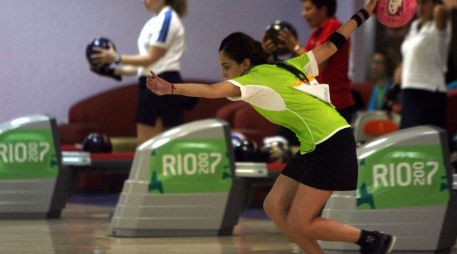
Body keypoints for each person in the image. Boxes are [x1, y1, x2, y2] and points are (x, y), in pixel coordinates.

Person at [146, 1, 396, 253]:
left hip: (331, 142)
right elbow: (333, 44)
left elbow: (212, 91)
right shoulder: (287, 66)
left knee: (301, 223)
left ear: (244, 64)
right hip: (316, 144)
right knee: (274, 206)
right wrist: (364, 14)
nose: (224, 74)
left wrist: (172, 88)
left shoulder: (252, 80)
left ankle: (371, 240)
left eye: (226, 67)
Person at [90, 0, 191, 145]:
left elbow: (151, 57)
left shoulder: (168, 19)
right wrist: (112, 70)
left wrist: (115, 57)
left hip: (163, 82)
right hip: (152, 81)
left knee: (151, 145)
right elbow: (144, 66)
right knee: (147, 144)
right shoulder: (154, 22)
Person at [268, 0, 357, 123]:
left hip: (336, 105)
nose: (303, 14)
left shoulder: (334, 26)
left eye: (308, 9)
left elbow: (318, 65)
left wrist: (295, 47)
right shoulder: (315, 35)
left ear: (323, 10)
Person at [399, 0, 451, 129]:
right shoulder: (415, 26)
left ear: (435, 4)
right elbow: (407, 60)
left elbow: (441, 12)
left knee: (425, 143)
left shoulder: (441, 26)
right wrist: (394, 88)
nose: (420, 7)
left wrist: (441, 5)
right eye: (418, 3)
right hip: (409, 91)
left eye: (424, 3)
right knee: (407, 141)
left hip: (429, 92)